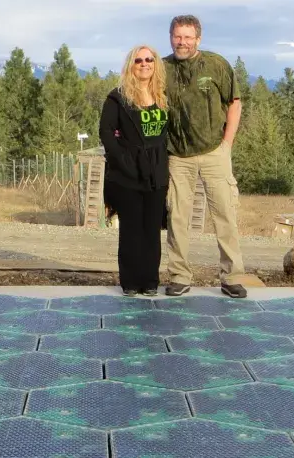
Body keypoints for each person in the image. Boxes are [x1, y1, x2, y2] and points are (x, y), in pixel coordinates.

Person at [162, 14, 248, 298]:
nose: (182, 42)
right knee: (177, 217)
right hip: (177, 155)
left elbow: (234, 104)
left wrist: (227, 144)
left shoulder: (216, 64)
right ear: (171, 37)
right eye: (177, 36)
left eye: (187, 37)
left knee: (224, 214)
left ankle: (232, 277)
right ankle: (179, 275)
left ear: (198, 38)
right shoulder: (162, 68)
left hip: (214, 152)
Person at [98, 44, 171, 297]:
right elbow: (106, 132)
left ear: (155, 63)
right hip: (127, 174)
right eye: (138, 60)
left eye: (149, 59)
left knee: (151, 229)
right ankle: (130, 281)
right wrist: (123, 159)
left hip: (157, 172)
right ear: (131, 65)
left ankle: (150, 281)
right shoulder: (117, 97)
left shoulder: (164, 96)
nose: (144, 64)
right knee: (131, 229)